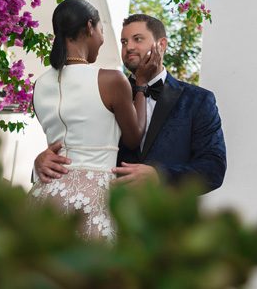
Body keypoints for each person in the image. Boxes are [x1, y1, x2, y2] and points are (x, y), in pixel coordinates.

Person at [34, 13, 227, 195]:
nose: (129, 47)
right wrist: (40, 162)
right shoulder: (107, 91)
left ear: (162, 44)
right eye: (124, 42)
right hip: (107, 214)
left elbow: (214, 168)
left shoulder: (198, 100)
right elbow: (77, 145)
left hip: (168, 221)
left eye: (138, 39)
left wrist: (159, 175)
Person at [28, 0, 158, 240]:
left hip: (46, 195)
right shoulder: (111, 80)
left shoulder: (39, 85)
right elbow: (133, 137)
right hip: (93, 199)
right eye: (101, 30)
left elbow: (58, 143)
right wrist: (140, 85)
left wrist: (39, 161)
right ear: (89, 27)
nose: (102, 39)